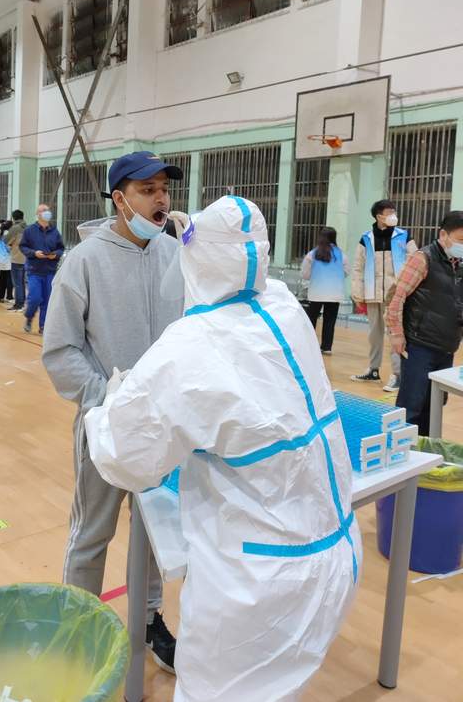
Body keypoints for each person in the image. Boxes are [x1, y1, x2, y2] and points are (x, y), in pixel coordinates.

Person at [84, 196, 361, 702]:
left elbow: (125, 458)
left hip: (257, 580)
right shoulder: (283, 305)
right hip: (335, 547)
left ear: (197, 258)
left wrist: (108, 406)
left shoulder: (192, 345)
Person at [42, 152, 185, 674]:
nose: (161, 199)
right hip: (106, 427)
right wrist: (108, 398)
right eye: (148, 190)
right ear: (119, 199)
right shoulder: (83, 261)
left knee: (154, 532)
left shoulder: (176, 255)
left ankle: (148, 619)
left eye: (164, 189)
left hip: (162, 430)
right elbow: (60, 350)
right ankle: (76, 625)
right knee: (92, 532)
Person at [386, 211, 463, 436]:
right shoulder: (423, 258)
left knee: (434, 405)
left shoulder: (459, 265)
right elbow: (396, 298)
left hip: (446, 346)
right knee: (412, 404)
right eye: (461, 240)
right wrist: (396, 334)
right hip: (419, 345)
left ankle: (424, 451)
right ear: (443, 235)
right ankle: (400, 449)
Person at [351, 200, 417, 391]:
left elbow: (414, 261)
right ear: (378, 216)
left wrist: (407, 290)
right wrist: (358, 294)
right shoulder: (366, 239)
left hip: (395, 295)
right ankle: (373, 370)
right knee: (374, 334)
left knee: (395, 334)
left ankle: (398, 374)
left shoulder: (404, 236)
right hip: (372, 294)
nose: (393, 215)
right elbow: (358, 267)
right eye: (389, 212)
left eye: (394, 211)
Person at [301, 227, 350, 355]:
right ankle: (326, 347)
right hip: (335, 293)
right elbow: (346, 272)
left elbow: (305, 274)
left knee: (311, 319)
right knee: (330, 320)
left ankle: (309, 346)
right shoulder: (341, 255)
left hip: (316, 292)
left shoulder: (312, 254)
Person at [20, 204, 65, 334]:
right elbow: (23, 247)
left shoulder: (54, 231)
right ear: (38, 214)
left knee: (47, 300)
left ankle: (43, 326)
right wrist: (34, 253)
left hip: (50, 270)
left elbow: (60, 248)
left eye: (48, 210)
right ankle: (29, 317)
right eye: (44, 210)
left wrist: (55, 254)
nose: (47, 212)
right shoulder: (29, 230)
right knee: (35, 298)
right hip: (34, 270)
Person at [5, 209, 27, 312]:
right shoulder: (28, 227)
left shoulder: (15, 228)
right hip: (27, 258)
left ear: (13, 218)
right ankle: (22, 302)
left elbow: (6, 240)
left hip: (17, 258)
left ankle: (19, 304)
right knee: (22, 282)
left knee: (17, 283)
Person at [0, 219, 14, 303]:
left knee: (2, 277)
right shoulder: (7, 234)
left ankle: (0, 296)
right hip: (6, 258)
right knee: (9, 278)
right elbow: (8, 248)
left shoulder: (2, 233)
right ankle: (9, 297)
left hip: (1, 258)